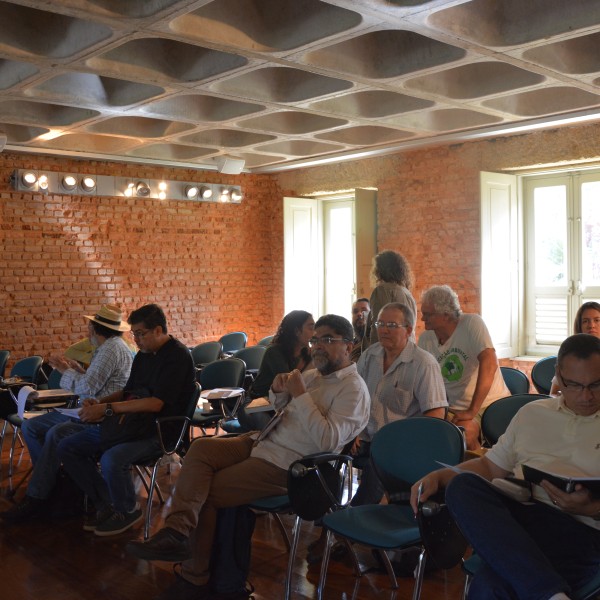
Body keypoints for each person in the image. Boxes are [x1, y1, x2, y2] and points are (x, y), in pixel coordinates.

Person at [126, 314, 370, 600]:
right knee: (200, 449)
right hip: (264, 440)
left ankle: (194, 576)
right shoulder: (314, 374)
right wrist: (279, 393)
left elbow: (327, 441)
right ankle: (176, 534)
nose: (317, 346)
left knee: (208, 490)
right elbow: (283, 412)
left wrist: (301, 396)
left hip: (291, 464)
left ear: (349, 346)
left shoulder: (354, 390)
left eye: (328, 340)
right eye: (315, 339)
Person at [411, 333, 600, 600]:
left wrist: (594, 508)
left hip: (583, 532)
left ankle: (549, 593)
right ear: (558, 375)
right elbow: (490, 468)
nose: (586, 396)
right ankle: (551, 594)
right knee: (461, 485)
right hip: (523, 524)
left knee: (488, 589)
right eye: (574, 385)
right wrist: (440, 476)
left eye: (596, 385)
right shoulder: (533, 414)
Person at [55, 304, 196, 536]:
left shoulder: (178, 357)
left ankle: (127, 509)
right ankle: (108, 502)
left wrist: (107, 409)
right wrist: (100, 404)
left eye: (140, 334)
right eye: (134, 334)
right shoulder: (142, 355)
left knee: (112, 459)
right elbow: (127, 392)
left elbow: (155, 403)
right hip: (130, 425)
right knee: (67, 447)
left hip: (158, 431)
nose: (136, 340)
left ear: (158, 330)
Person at [1, 304, 134, 522]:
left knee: (54, 432)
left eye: (89, 326)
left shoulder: (111, 349)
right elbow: (95, 382)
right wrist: (79, 371)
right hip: (91, 407)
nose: (87, 330)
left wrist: (65, 370)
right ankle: (51, 483)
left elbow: (88, 389)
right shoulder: (111, 346)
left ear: (94, 328)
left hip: (100, 414)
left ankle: (39, 495)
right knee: (31, 426)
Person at [353, 302, 448, 506]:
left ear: (408, 330)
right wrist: (352, 432)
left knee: (377, 466)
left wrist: (403, 444)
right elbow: (355, 398)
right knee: (326, 449)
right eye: (380, 323)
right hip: (366, 439)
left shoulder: (423, 363)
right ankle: (323, 512)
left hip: (402, 445)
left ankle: (357, 517)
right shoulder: (369, 356)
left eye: (392, 325)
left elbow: (436, 417)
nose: (384, 329)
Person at [418, 285, 509, 450]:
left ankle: (475, 472)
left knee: (464, 433)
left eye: (428, 314)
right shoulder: (426, 338)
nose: (423, 319)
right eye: (423, 313)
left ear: (446, 314)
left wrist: (472, 410)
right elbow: (424, 378)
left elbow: (490, 363)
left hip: (488, 405)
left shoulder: (471, 323)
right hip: (450, 408)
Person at [247, 310, 314, 399]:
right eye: (311, 328)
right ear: (297, 331)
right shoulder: (274, 352)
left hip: (284, 400)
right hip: (260, 400)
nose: (315, 333)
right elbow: (289, 384)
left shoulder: (306, 352)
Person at [366, 250, 417, 347]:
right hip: (408, 349)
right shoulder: (407, 293)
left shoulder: (382, 290)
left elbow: (378, 327)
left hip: (389, 351)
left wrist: (373, 353)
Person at [550, 301, 600, 395]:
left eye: (597, 320)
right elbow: (553, 394)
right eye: (585, 321)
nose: (591, 325)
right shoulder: (570, 353)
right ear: (579, 326)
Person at [349, 298, 370, 363]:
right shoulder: (350, 344)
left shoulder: (374, 343)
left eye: (364, 310)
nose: (359, 314)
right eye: (355, 312)